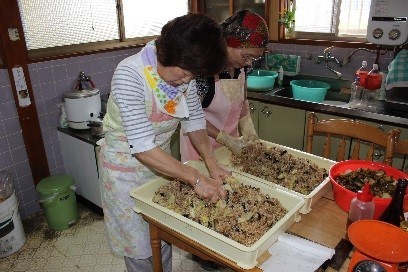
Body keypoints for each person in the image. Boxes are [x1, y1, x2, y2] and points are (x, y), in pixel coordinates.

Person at [98, 13, 230, 272]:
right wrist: (197, 178)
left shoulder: (184, 75)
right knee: (138, 247)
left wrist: (211, 164)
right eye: (184, 74)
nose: (187, 82)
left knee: (162, 235)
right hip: (125, 171)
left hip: (163, 167)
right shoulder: (130, 74)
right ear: (167, 54)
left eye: (192, 76)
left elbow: (194, 122)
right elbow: (143, 146)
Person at [180, 10, 269, 162]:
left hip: (232, 145)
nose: (249, 62)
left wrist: (248, 129)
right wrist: (225, 139)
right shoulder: (204, 70)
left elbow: (242, 100)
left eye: (255, 57)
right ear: (229, 44)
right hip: (199, 146)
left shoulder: (243, 67)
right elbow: (191, 116)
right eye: (246, 56)